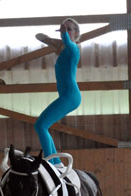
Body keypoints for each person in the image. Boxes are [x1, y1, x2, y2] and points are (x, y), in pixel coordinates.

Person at [34, 18, 81, 166]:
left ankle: (52, 163)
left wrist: (64, 35)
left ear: (76, 33)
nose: (65, 31)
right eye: (64, 28)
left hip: (71, 95)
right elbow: (39, 36)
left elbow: (68, 42)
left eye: (69, 29)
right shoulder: (61, 49)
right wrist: (51, 39)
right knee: (42, 126)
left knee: (40, 125)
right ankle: (57, 162)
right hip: (67, 95)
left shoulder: (74, 48)